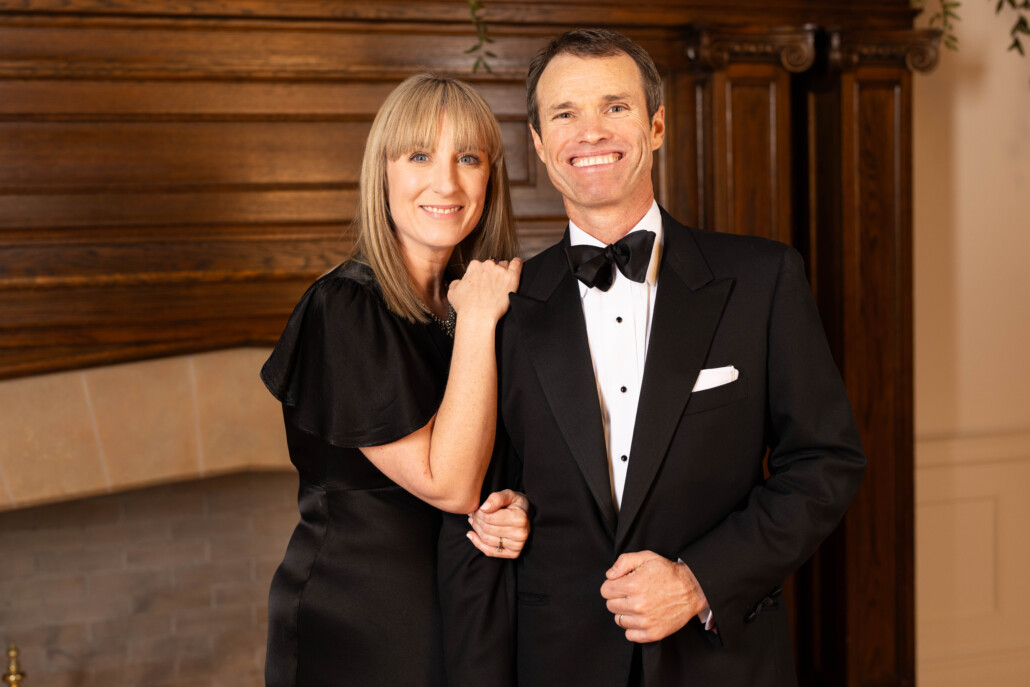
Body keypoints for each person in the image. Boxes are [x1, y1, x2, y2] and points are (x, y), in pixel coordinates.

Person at [442, 29, 867, 686]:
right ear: (537, 144)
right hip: (556, 663)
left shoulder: (763, 279)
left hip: (723, 663)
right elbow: (484, 493)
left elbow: (825, 463)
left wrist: (701, 580)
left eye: (615, 107)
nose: (591, 132)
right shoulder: (503, 306)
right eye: (565, 113)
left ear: (657, 124)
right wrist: (499, 511)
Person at [260, 74, 530, 687]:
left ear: (491, 179)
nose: (447, 182)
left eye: (468, 158)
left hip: (459, 615)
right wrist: (481, 319)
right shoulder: (344, 308)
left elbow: (498, 468)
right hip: (361, 625)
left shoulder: (469, 306)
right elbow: (450, 483)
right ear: (382, 172)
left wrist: (517, 506)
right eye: (418, 156)